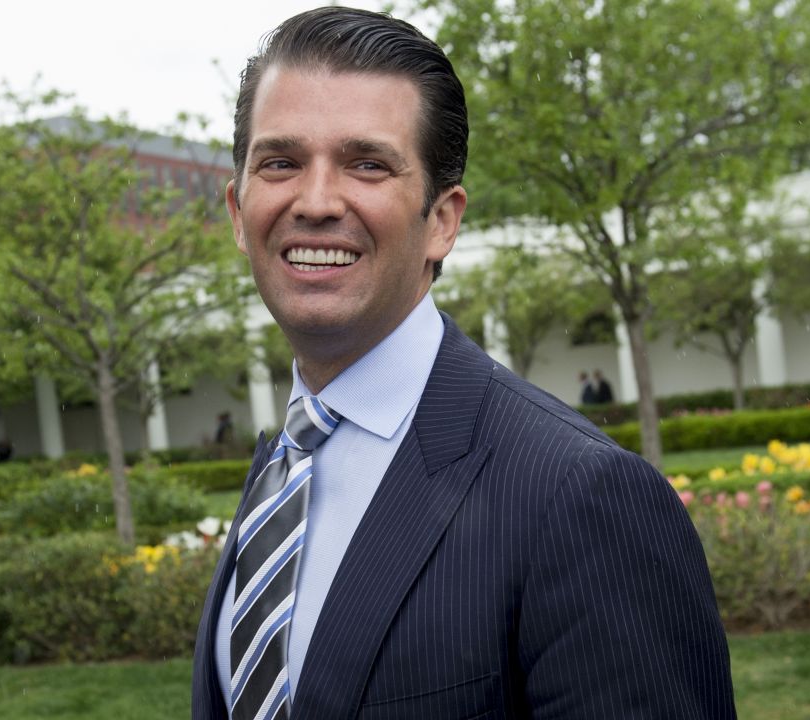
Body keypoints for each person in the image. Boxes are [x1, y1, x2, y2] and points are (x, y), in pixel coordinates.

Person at [191, 7, 734, 719]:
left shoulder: (578, 496)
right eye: (282, 162)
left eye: (367, 164)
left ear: (442, 220)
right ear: (238, 210)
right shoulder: (281, 470)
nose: (316, 201)